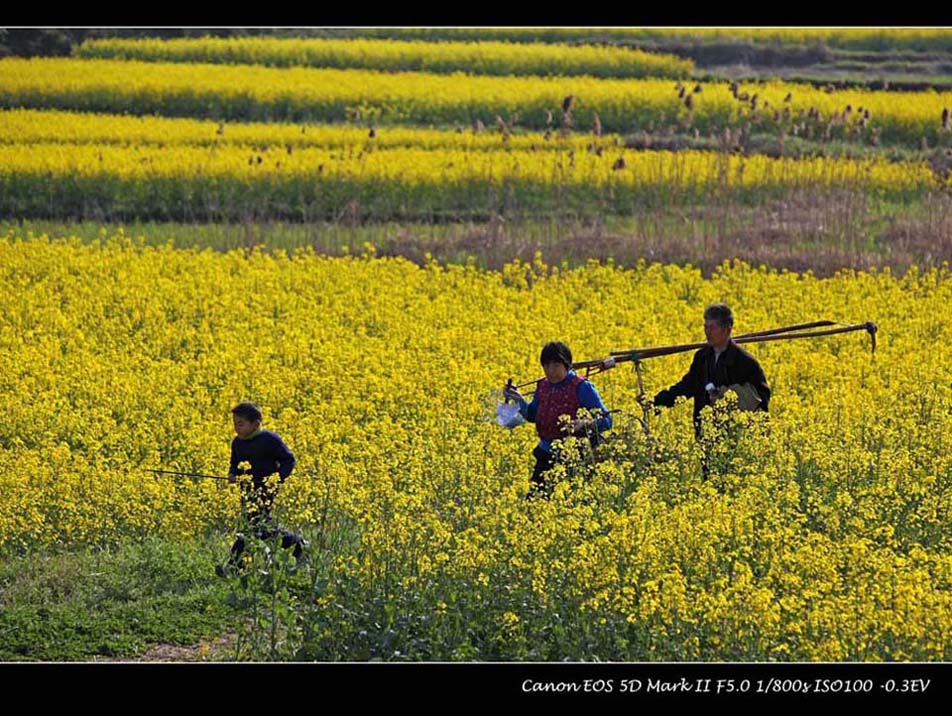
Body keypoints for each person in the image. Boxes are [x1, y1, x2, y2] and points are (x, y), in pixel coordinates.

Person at [504, 341, 613, 496]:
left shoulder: (582, 387)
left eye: (556, 365)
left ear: (566, 364)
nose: (551, 371)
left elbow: (607, 420)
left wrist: (584, 423)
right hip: (545, 453)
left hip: (574, 457)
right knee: (535, 502)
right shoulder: (543, 386)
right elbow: (533, 416)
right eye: (546, 366)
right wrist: (519, 400)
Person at [651, 302, 770, 440]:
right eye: (706, 327)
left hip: (735, 437)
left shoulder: (744, 361)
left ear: (727, 329)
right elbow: (687, 387)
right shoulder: (702, 357)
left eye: (712, 327)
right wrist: (655, 401)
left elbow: (762, 397)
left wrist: (729, 397)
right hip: (705, 434)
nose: (707, 332)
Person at [216, 402, 307, 576]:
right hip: (246, 490)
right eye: (235, 423)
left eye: (240, 424)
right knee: (260, 528)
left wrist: (276, 479)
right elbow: (234, 463)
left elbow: (289, 460)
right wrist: (232, 474)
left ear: (256, 423)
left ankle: (235, 567)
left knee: (251, 527)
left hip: (266, 490)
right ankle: (298, 545)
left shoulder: (270, 440)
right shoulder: (237, 443)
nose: (236, 427)